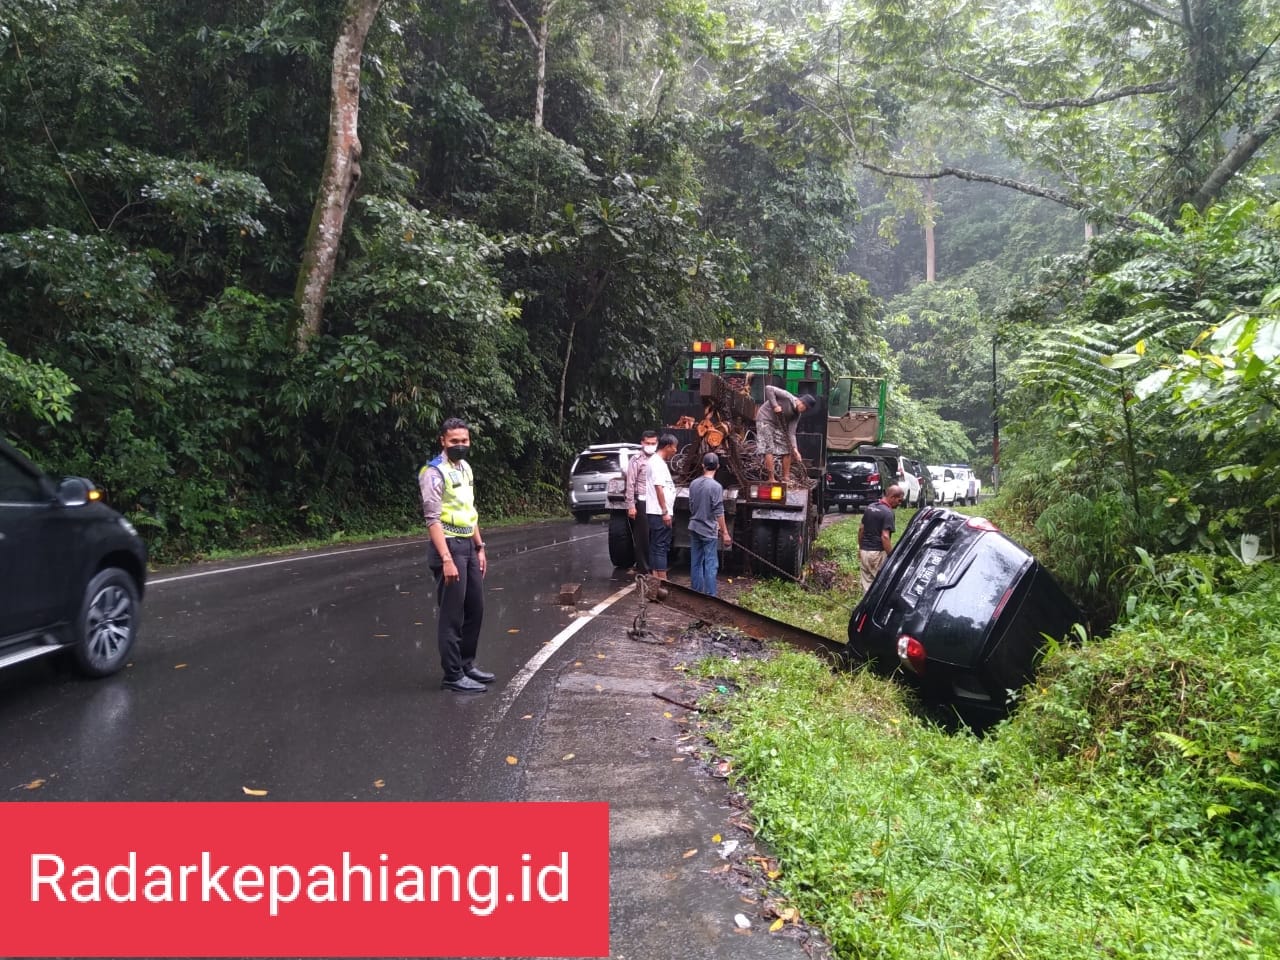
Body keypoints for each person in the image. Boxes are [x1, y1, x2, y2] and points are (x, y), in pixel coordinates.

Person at [419, 417, 494, 693]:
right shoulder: (433, 472)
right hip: (448, 546)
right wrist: (447, 559)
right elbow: (432, 520)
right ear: (443, 441)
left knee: (476, 608)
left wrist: (480, 546)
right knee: (453, 614)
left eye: (464, 441)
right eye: (454, 441)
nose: (460, 445)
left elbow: (469, 511)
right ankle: (452, 675)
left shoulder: (465, 469)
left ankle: (466, 664)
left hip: (468, 545)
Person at [687, 452, 732, 596]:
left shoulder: (693, 483)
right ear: (718, 466)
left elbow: (692, 505)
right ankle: (711, 596)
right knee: (711, 564)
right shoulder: (716, 487)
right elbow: (718, 510)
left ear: (702, 466)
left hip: (694, 526)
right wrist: (725, 532)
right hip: (708, 530)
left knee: (696, 562)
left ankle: (696, 594)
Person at [756, 386, 817, 485]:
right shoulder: (788, 397)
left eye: (805, 409)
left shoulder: (797, 414)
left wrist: (795, 449)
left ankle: (786, 478)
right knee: (769, 447)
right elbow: (768, 388)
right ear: (800, 401)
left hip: (777, 424)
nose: (803, 409)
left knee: (787, 449)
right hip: (765, 419)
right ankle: (771, 478)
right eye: (803, 406)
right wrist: (775, 405)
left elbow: (791, 433)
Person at [858, 483, 905, 593]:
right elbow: (885, 536)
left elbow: (861, 530)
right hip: (877, 554)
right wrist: (892, 556)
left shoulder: (870, 507)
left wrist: (860, 548)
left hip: (864, 552)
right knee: (882, 586)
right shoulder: (888, 513)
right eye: (899, 500)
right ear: (892, 497)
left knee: (867, 586)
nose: (899, 503)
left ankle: (867, 609)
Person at [645, 434, 678, 580]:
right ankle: (662, 582)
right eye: (674, 447)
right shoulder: (657, 463)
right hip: (659, 512)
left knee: (656, 546)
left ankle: (655, 581)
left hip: (657, 511)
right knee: (661, 547)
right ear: (667, 446)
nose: (676, 450)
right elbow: (658, 488)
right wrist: (665, 512)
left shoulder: (657, 462)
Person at [624, 430, 658, 573]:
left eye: (653, 443)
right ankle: (643, 569)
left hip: (656, 501)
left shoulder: (658, 459)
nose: (651, 446)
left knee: (655, 535)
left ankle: (655, 567)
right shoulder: (636, 459)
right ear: (642, 443)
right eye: (648, 443)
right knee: (642, 536)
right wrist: (631, 506)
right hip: (642, 500)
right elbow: (630, 483)